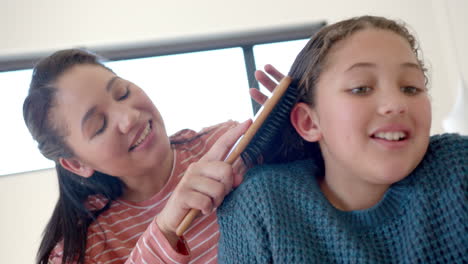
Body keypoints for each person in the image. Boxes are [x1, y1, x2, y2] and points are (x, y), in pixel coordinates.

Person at [217, 15, 468, 263]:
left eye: (411, 88)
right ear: (309, 122)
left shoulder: (457, 168)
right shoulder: (262, 206)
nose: (395, 104)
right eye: (360, 88)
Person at [22, 48, 279, 264]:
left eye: (123, 93)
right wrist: (165, 229)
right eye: (99, 125)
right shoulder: (81, 250)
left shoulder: (226, 146)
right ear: (76, 164)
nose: (129, 118)